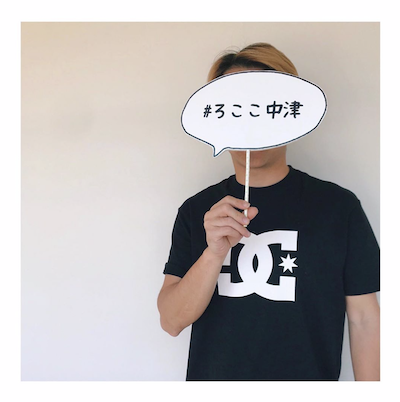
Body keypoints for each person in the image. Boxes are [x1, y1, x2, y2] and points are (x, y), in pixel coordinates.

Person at [157, 43, 380, 381]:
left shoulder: (339, 207)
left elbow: (364, 319)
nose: (251, 122)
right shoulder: (197, 211)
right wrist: (213, 254)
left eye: (262, 107)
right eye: (237, 108)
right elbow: (171, 321)